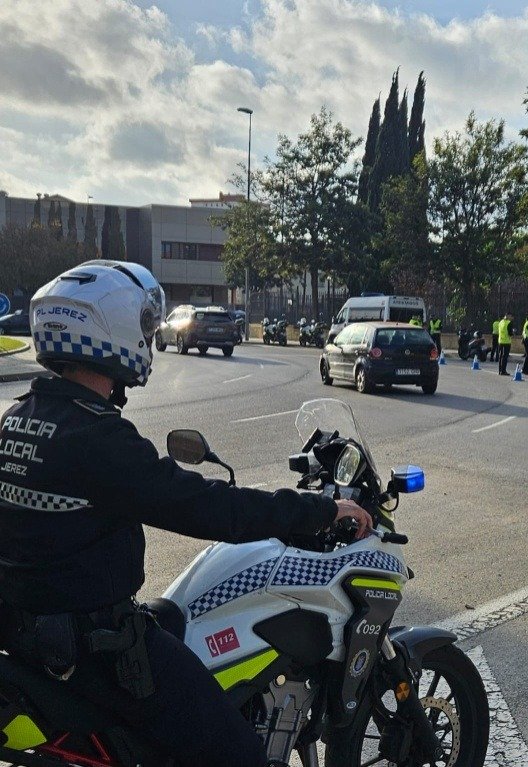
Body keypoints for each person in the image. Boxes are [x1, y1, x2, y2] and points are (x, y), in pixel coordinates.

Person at [0, 260, 374, 767]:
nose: (149, 340)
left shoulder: (19, 419)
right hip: (95, 648)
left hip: (25, 633)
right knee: (237, 753)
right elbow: (207, 507)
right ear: (110, 332)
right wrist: (318, 511)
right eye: (144, 328)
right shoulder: (96, 437)